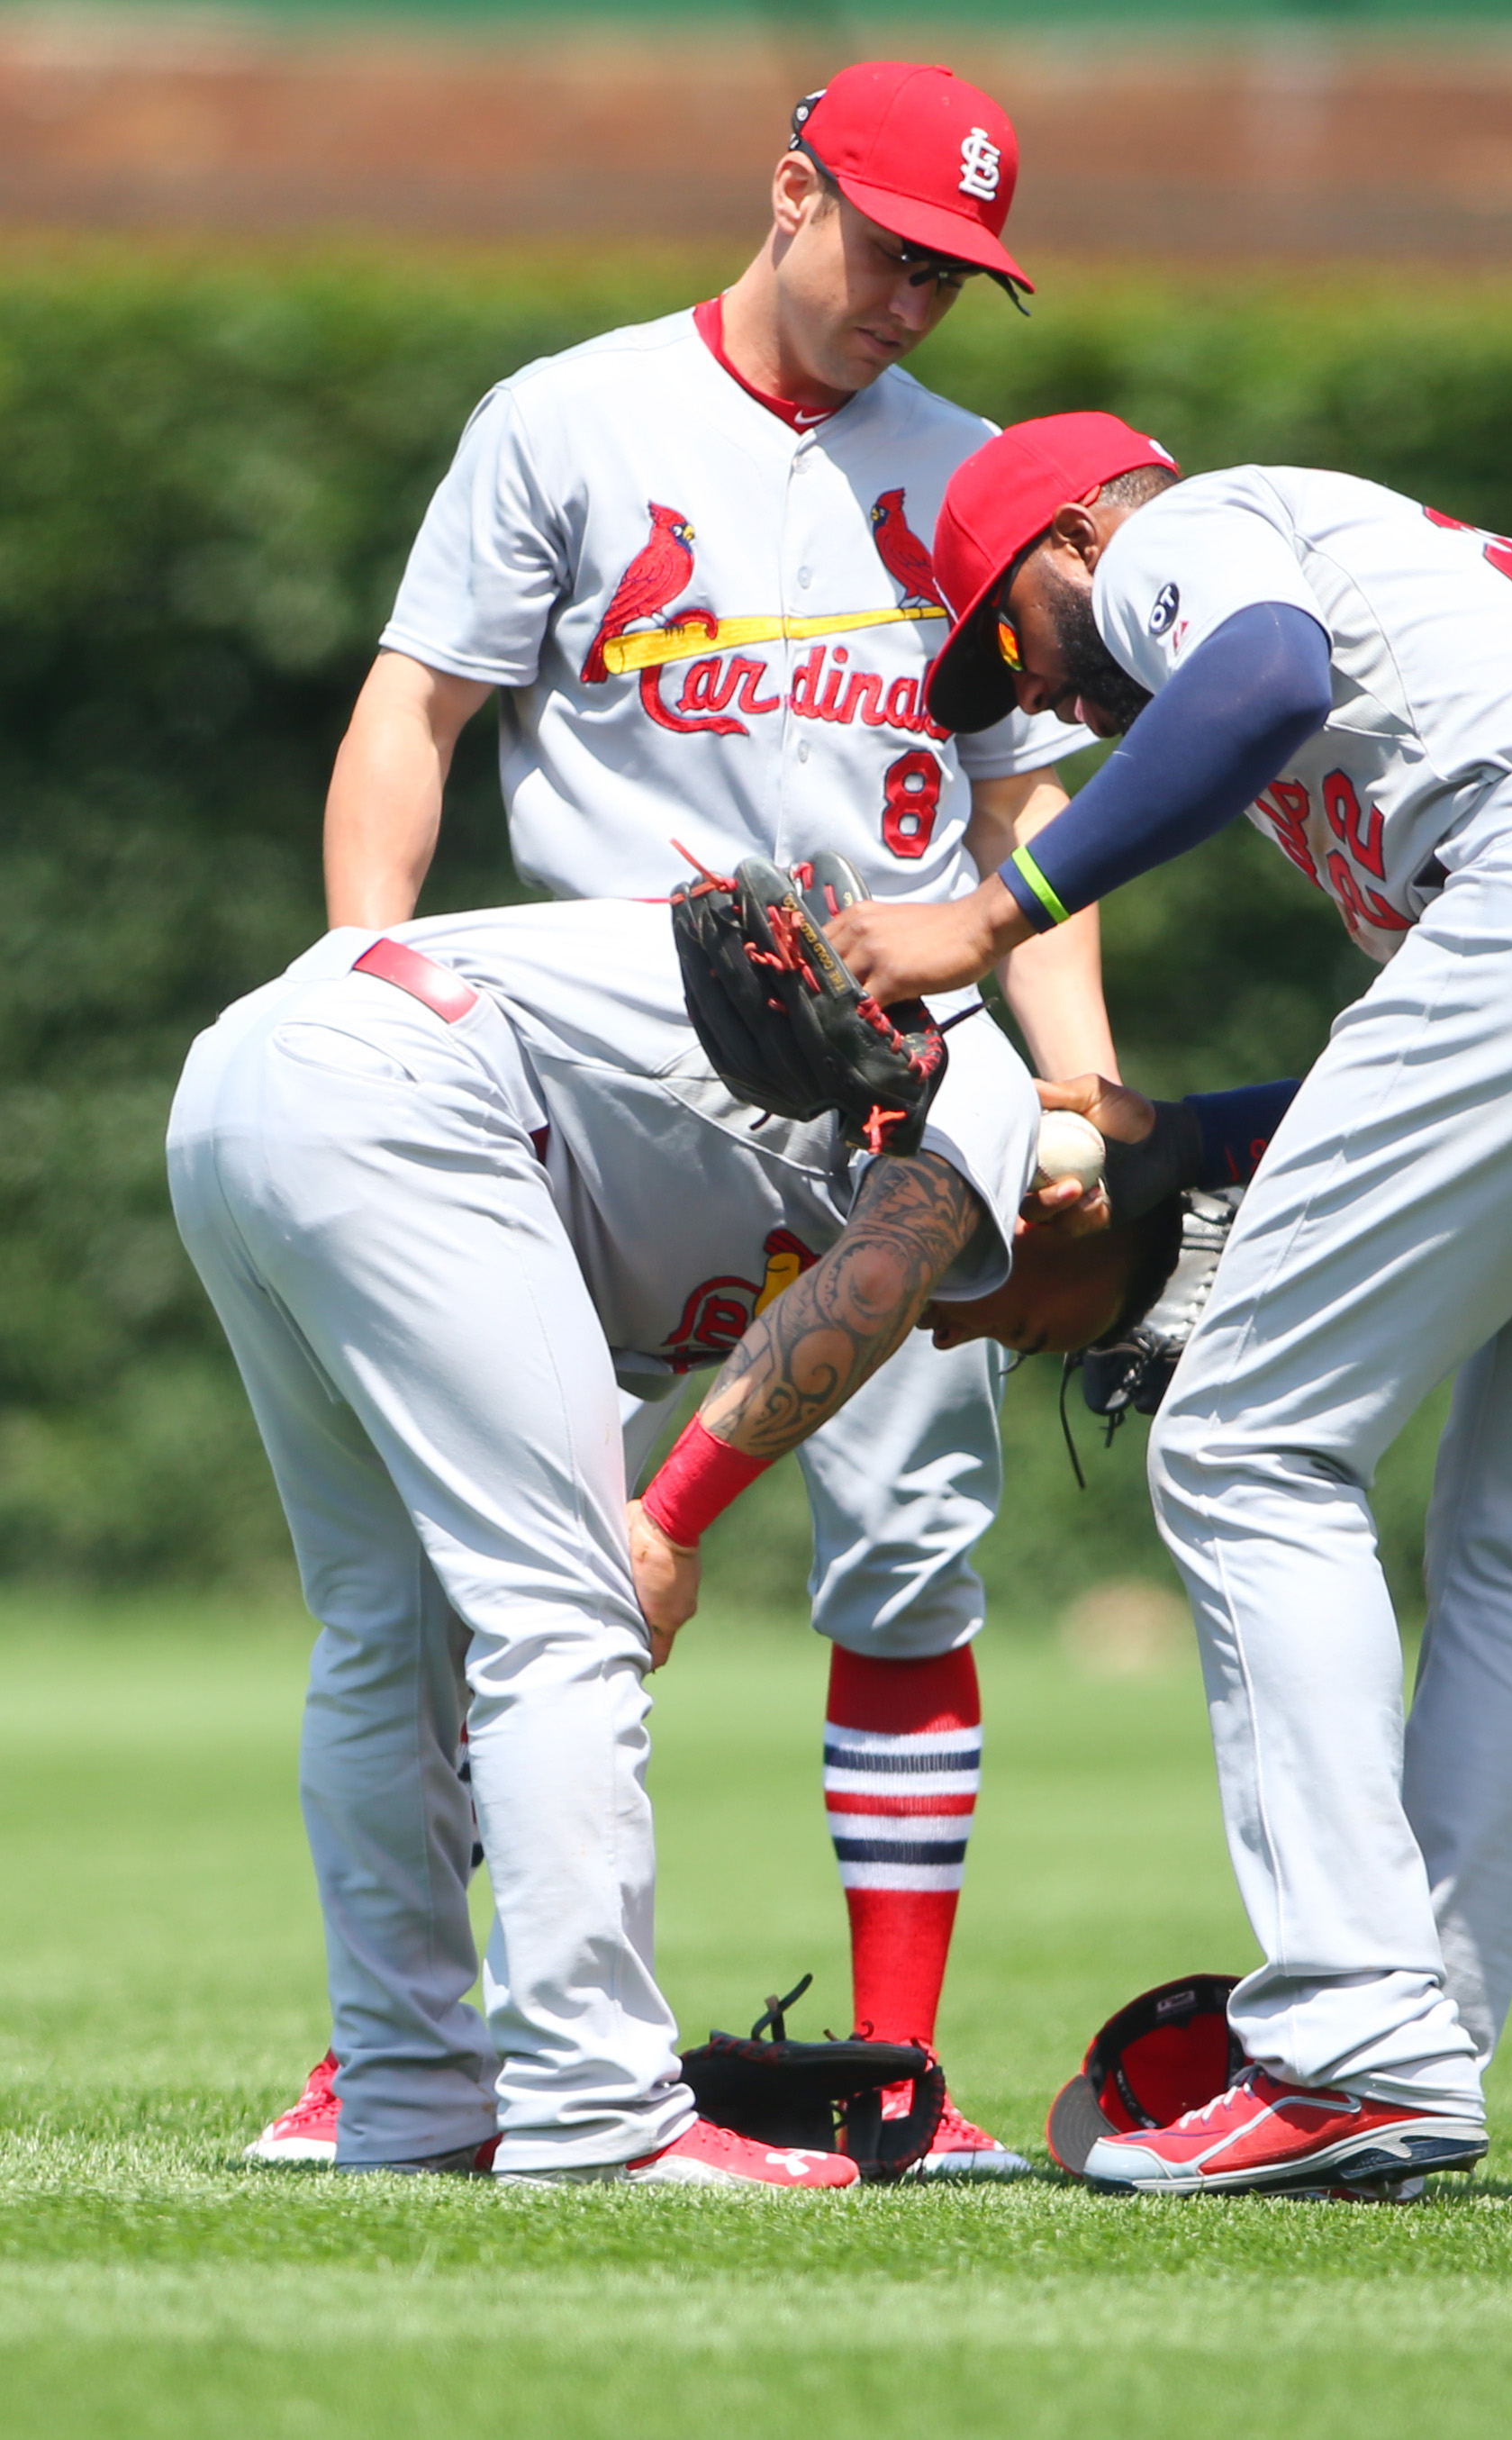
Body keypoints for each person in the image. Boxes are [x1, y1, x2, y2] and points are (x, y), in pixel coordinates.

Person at [827, 412, 1512, 2196]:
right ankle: (1415, 2041)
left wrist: (992, 920)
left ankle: (1360, 2031)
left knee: (1244, 1443)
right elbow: (1478, 1066)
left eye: (1001, 642)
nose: (1042, 703)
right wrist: (1156, 1142)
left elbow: (1263, 682)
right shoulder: (1434, 593)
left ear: (1073, 540)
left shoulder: (1194, 533)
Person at [251, 59, 1107, 2171]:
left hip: (890, 1078)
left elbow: (1025, 820)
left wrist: (1073, 1082)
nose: (924, 296)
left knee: (910, 1557)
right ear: (792, 189)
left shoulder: (974, 473)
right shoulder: (572, 416)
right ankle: (407, 2047)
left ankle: (905, 2074)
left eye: (961, 269)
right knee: (500, 1571)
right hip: (601, 1069)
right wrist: (371, 965)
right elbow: (415, 707)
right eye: (900, 246)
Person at [171, 902, 1179, 2183]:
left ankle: (409, 2096)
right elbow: (876, 1281)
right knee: (568, 1613)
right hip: (403, 1081)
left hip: (252, 1080)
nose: (971, 1334)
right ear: (1071, 1211)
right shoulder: (984, 1081)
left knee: (389, 1626)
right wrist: (667, 1517)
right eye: (1033, 1327)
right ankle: (596, 2105)